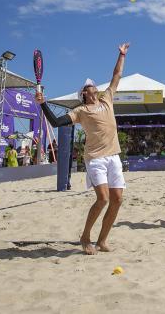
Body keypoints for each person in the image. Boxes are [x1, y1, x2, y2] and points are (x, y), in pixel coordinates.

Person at [37, 42, 130, 255]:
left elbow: (117, 75)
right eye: (89, 87)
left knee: (117, 200)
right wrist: (42, 104)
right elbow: (55, 122)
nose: (93, 86)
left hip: (113, 156)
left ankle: (102, 240)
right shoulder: (80, 111)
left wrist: (122, 55)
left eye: (93, 85)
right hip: (95, 158)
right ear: (85, 94)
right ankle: (85, 237)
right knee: (103, 199)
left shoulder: (106, 99)